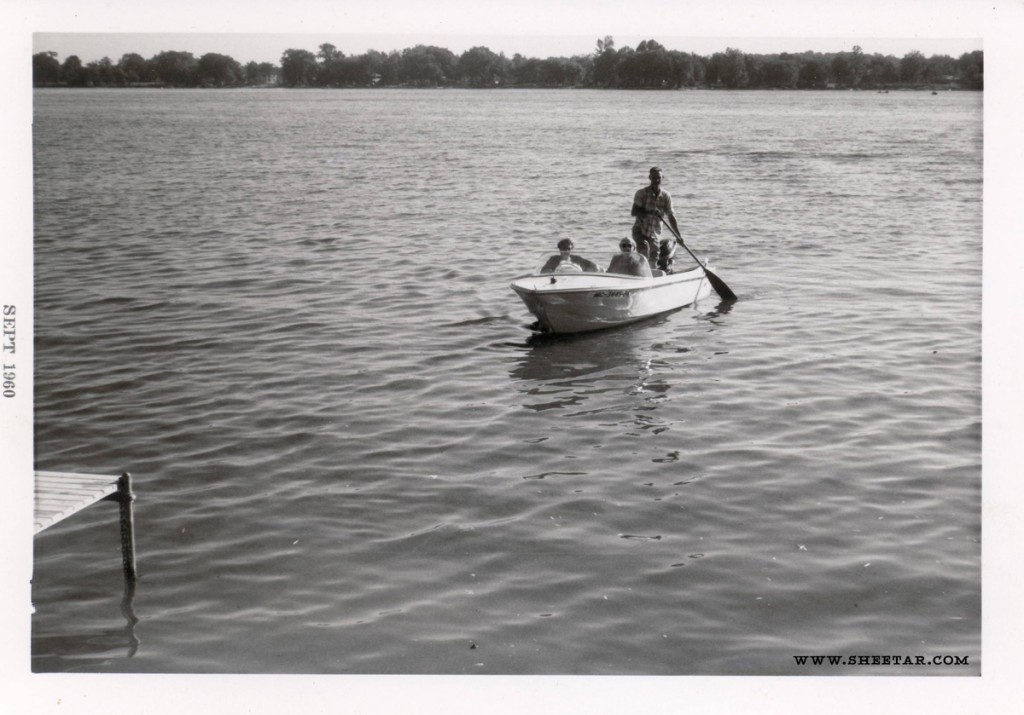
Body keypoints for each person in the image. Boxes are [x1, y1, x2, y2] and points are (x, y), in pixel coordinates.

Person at [630, 166, 681, 268]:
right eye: (653, 178)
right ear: (649, 178)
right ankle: (641, 275)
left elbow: (671, 216)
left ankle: (653, 275)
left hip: (654, 232)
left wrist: (678, 236)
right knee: (644, 250)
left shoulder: (666, 196)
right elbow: (634, 212)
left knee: (654, 254)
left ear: (662, 178)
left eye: (658, 178)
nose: (656, 180)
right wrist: (650, 212)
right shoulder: (641, 193)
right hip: (640, 230)